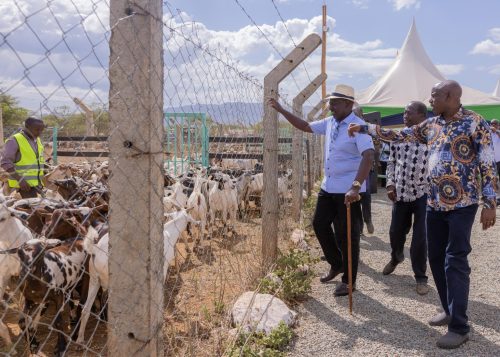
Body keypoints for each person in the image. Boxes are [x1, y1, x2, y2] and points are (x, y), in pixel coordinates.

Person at [348, 80, 498, 349]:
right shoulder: (432, 125)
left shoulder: (476, 123)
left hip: (463, 204)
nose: (430, 100)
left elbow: (487, 163)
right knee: (436, 257)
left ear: (451, 96)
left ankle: (460, 326)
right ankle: (448, 309)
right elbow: (401, 135)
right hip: (434, 202)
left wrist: (490, 203)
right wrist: (366, 127)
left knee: (456, 260)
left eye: (435, 95)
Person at [268, 84, 374, 297]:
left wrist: (355, 187)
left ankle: (348, 281)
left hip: (348, 191)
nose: (331, 106)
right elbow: (306, 126)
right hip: (329, 186)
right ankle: (336, 263)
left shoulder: (357, 126)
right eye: (330, 102)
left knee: (347, 235)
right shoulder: (330, 122)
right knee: (319, 224)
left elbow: (369, 155)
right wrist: (281, 110)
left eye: (335, 103)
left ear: (348, 104)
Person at [382, 101, 429, 295]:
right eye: (404, 112)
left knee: (420, 238)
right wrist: (390, 183)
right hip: (400, 193)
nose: (404, 115)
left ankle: (420, 277)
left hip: (423, 194)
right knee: (395, 232)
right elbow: (391, 162)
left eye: (408, 112)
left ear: (421, 116)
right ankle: (396, 257)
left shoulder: (430, 137)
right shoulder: (398, 137)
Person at [1, 117, 46, 198]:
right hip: (22, 187)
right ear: (27, 128)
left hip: (37, 185)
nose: (39, 133)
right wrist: (20, 180)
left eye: (41, 130)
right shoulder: (14, 140)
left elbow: (37, 161)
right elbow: (5, 162)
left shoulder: (37, 140)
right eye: (36, 129)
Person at [352, 103, 375, 234]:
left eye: (356, 114)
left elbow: (375, 149)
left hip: (365, 169)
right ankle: (359, 227)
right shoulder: (346, 128)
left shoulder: (366, 129)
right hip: (352, 171)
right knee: (355, 199)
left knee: (365, 197)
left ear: (362, 115)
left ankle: (368, 220)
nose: (354, 117)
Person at [490, 119, 500, 204]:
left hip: (499, 160)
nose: (493, 125)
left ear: (498, 125)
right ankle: (496, 197)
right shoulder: (489, 134)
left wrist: (496, 131)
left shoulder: (498, 133)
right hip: (492, 161)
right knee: (493, 179)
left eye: (495, 124)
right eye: (491, 124)